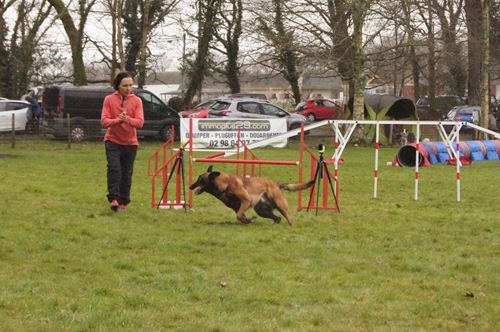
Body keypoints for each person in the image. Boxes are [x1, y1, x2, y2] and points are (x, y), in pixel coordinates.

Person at [101, 72, 144, 212]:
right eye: (125, 85)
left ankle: (123, 202)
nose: (128, 88)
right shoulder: (109, 99)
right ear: (118, 86)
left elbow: (140, 122)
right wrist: (117, 121)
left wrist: (126, 119)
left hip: (130, 143)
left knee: (127, 173)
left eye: (131, 85)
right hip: (112, 140)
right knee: (115, 169)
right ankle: (113, 199)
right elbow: (104, 121)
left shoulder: (137, 101)